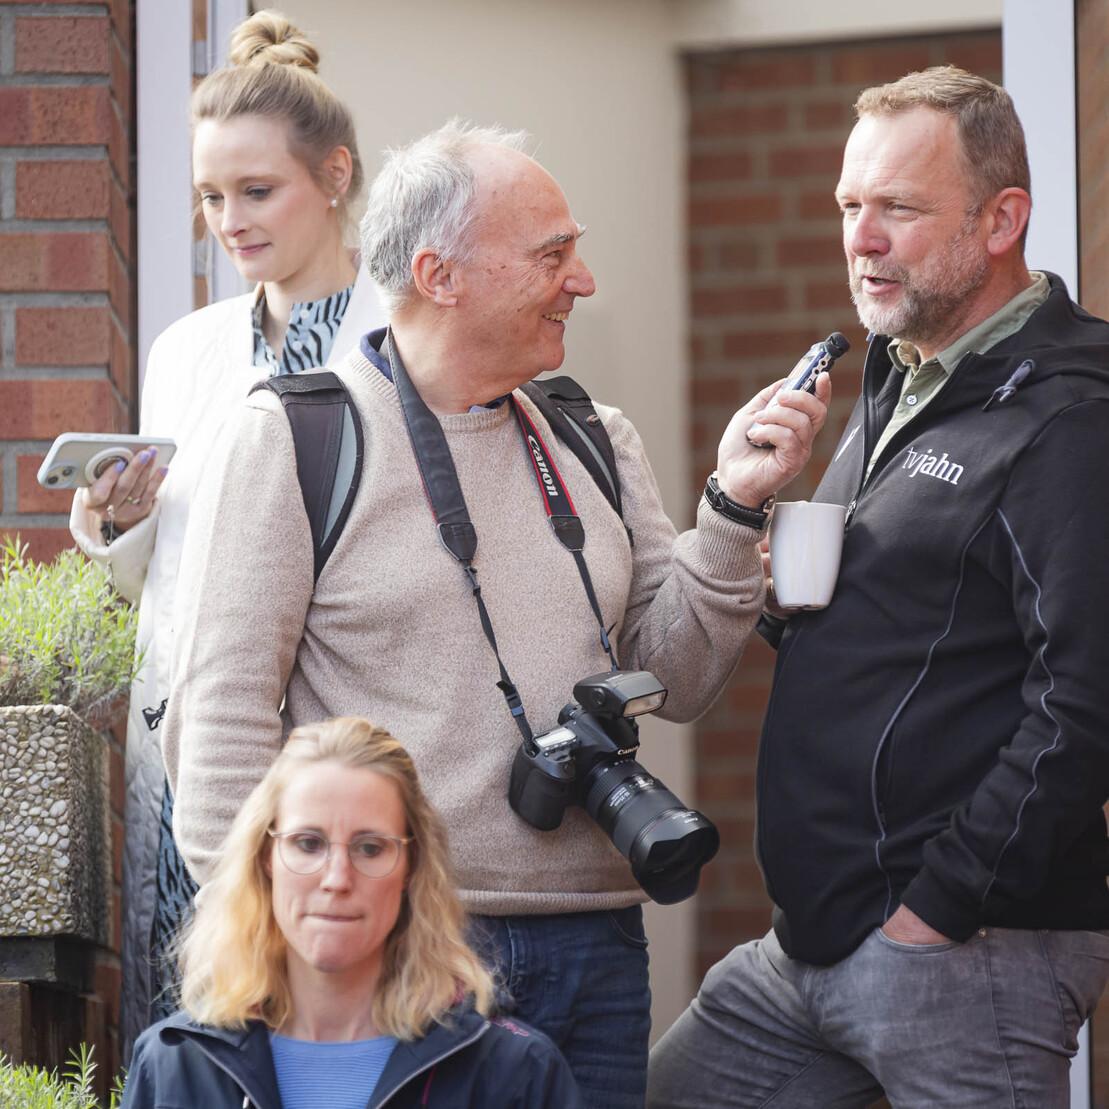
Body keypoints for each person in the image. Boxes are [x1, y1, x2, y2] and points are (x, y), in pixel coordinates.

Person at [162, 120, 829, 1108]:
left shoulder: (593, 436)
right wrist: (283, 967)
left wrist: (730, 509)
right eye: (553, 254)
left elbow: (677, 677)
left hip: (597, 945)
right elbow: (217, 732)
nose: (583, 280)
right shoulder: (294, 437)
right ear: (441, 274)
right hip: (401, 947)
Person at [648, 66, 1109, 1109]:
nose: (859, 238)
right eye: (848, 207)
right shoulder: (902, 372)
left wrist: (936, 909)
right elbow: (922, 625)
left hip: (958, 949)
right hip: (812, 940)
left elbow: (1084, 699)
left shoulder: (1070, 414)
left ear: (1002, 219)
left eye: (895, 208)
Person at [68, 11, 383, 1055]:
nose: (227, 220)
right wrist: (120, 523)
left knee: (335, 1037)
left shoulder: (400, 342)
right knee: (202, 1041)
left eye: (256, 190)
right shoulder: (188, 350)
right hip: (187, 762)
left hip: (330, 754)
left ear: (334, 176)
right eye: (209, 197)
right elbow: (164, 582)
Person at [121, 716, 581, 1108]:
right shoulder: (172, 1068)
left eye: (370, 847)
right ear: (265, 857)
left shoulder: (515, 1076)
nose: (337, 878)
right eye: (308, 843)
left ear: (411, 867)